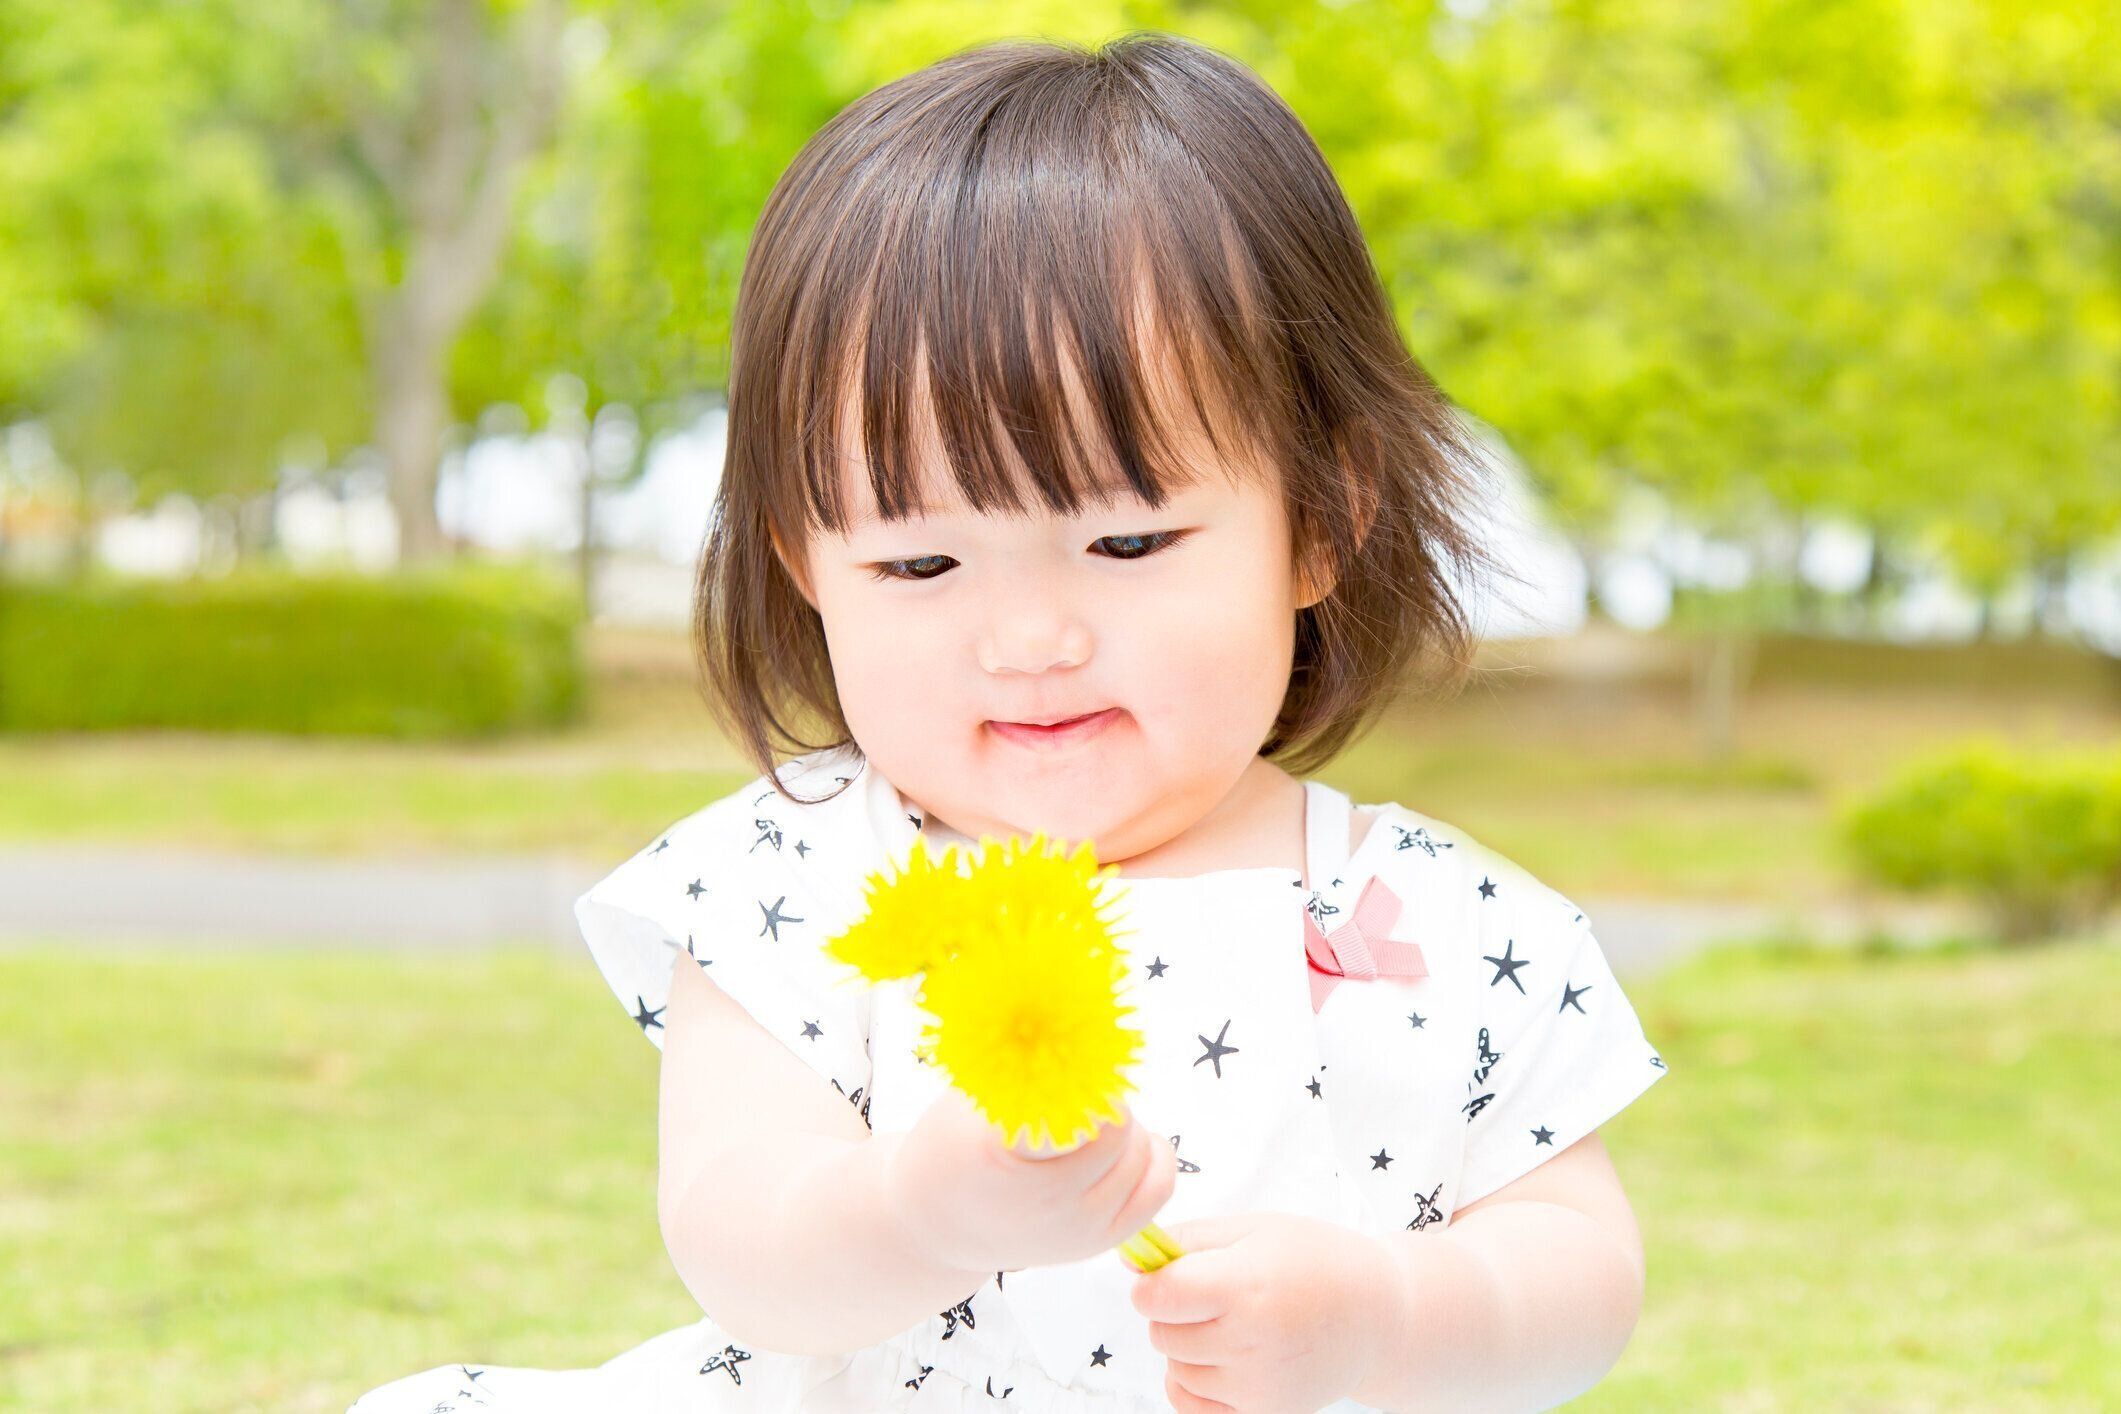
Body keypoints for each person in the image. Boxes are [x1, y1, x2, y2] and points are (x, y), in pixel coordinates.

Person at [350, 29, 1670, 1414]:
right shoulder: (791, 882)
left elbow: (1577, 1273)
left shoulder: (1442, 919)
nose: (1029, 638)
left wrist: (1392, 1311)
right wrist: (925, 1212)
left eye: (1128, 541)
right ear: (807, 561)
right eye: (921, 563)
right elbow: (742, 1242)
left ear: (1320, 521)